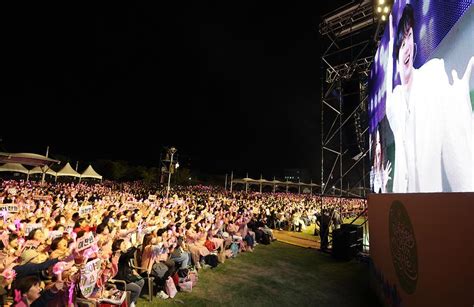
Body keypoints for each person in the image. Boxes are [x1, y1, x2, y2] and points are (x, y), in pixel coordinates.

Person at [385, 4, 474, 192]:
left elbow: (458, 159)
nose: (406, 46)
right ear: (396, 54)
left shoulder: (432, 74)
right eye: (401, 43)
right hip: (404, 206)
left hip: (432, 207)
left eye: (409, 37)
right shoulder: (396, 101)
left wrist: (461, 104)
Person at [370, 129, 392, 193]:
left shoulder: (385, 165)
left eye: (379, 142)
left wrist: (384, 185)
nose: (378, 146)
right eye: (376, 143)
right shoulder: (372, 171)